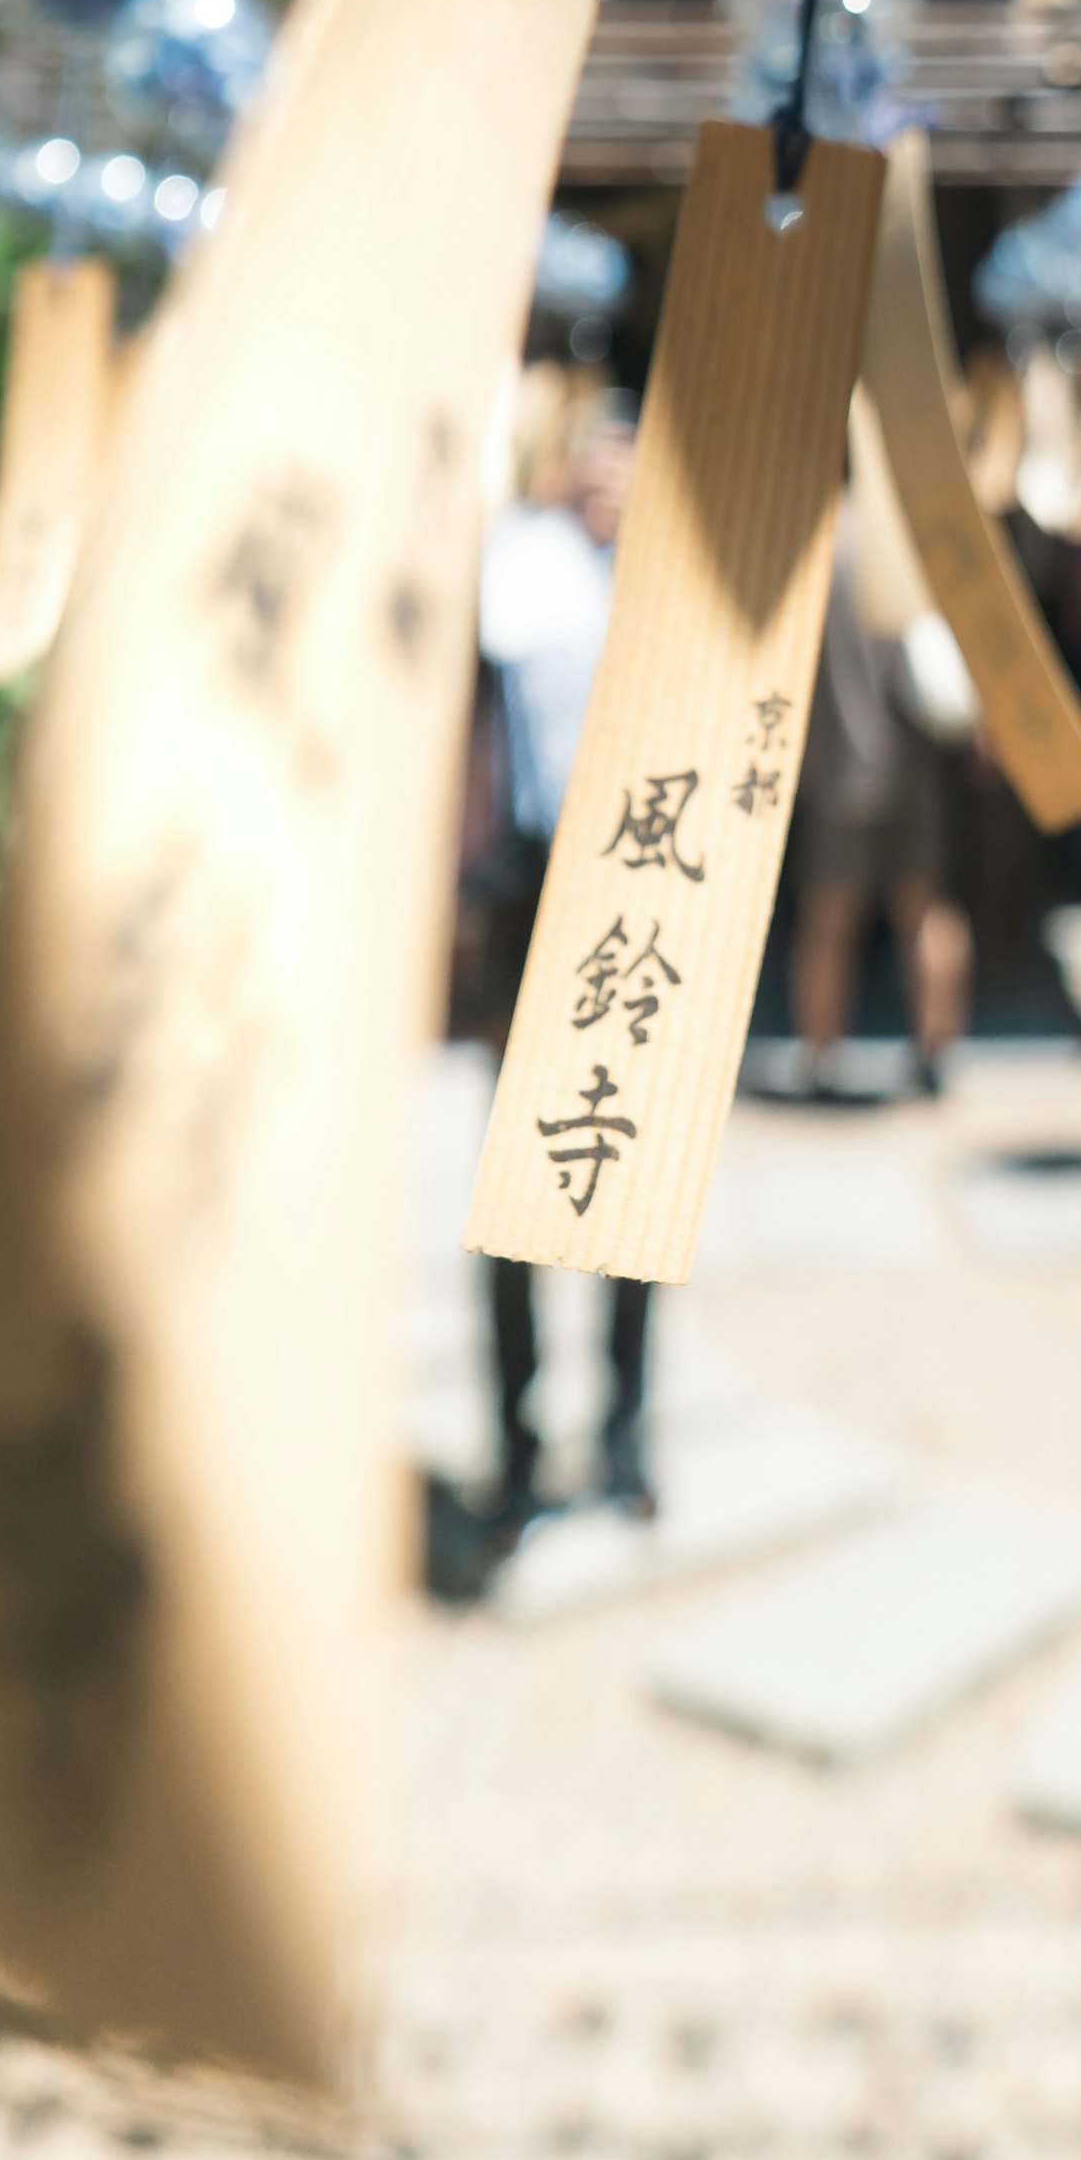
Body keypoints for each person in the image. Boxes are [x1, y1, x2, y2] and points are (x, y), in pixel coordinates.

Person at [467, 388, 655, 1520]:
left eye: (623, 465)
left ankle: (628, 1430)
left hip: (638, 892)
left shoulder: (677, 576)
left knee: (636, 1172)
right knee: (512, 1187)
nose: (605, 482)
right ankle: (516, 1434)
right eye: (592, 461)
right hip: (530, 877)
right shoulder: (521, 562)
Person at [788, 543, 973, 1098]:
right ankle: (936, 1051)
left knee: (828, 919)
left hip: (841, 761)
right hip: (912, 758)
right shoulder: (910, 533)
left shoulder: (816, 544)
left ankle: (822, 1056)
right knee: (924, 908)